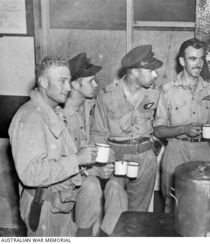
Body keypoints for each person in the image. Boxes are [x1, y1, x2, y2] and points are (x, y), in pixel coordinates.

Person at [8, 56, 98, 236]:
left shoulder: (53, 111)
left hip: (59, 204)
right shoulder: (30, 117)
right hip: (43, 208)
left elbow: (57, 159)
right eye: (62, 81)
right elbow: (30, 174)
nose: (67, 87)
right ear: (43, 82)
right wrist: (77, 159)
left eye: (69, 81)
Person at [91, 44, 163, 235]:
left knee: (138, 214)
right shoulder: (107, 95)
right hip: (116, 156)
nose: (155, 75)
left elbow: (161, 126)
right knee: (114, 204)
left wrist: (153, 148)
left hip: (145, 157)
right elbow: (98, 133)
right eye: (151, 70)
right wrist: (103, 162)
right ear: (134, 72)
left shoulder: (155, 94)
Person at [154, 38, 210, 213]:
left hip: (203, 150)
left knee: (205, 203)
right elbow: (159, 130)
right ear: (182, 61)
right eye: (192, 59)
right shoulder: (167, 91)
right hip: (176, 149)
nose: (198, 64)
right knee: (171, 203)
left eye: (201, 58)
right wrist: (183, 129)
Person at [63, 53, 114, 236]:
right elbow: (61, 161)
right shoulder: (60, 114)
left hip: (80, 174)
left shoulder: (87, 105)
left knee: (93, 186)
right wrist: (91, 171)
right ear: (75, 84)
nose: (96, 85)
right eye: (91, 81)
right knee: (92, 184)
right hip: (61, 180)